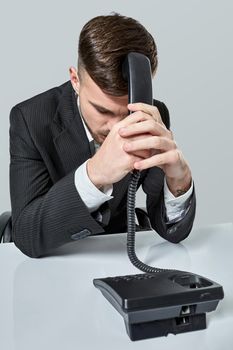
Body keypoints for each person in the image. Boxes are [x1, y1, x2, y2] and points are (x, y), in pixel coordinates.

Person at [9, 13, 196, 258]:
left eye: (126, 112)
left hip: (118, 254)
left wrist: (179, 182)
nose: (117, 127)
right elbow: (25, 235)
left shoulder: (152, 114)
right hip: (56, 257)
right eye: (102, 110)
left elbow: (172, 232)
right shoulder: (30, 119)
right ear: (75, 79)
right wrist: (94, 175)